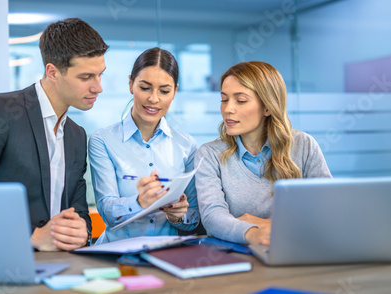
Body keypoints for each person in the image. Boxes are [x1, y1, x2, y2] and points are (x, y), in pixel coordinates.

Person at [0, 18, 108, 251]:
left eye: (100, 74)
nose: (98, 87)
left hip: (61, 269)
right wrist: (30, 238)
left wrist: (82, 232)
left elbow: (79, 212)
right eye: (86, 77)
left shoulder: (77, 135)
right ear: (52, 72)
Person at [195, 61, 331, 246]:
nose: (228, 109)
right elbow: (212, 217)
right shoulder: (209, 154)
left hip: (299, 249)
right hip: (238, 256)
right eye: (224, 99)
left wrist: (268, 225)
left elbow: (327, 210)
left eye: (240, 100)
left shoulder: (304, 145)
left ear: (267, 107)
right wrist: (252, 234)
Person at [88, 47, 199, 244]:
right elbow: (106, 211)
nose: (153, 99)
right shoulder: (103, 140)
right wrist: (139, 203)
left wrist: (180, 216)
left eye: (164, 91)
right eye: (145, 88)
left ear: (175, 91)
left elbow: (194, 218)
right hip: (116, 253)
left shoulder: (187, 145)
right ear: (131, 84)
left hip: (167, 255)